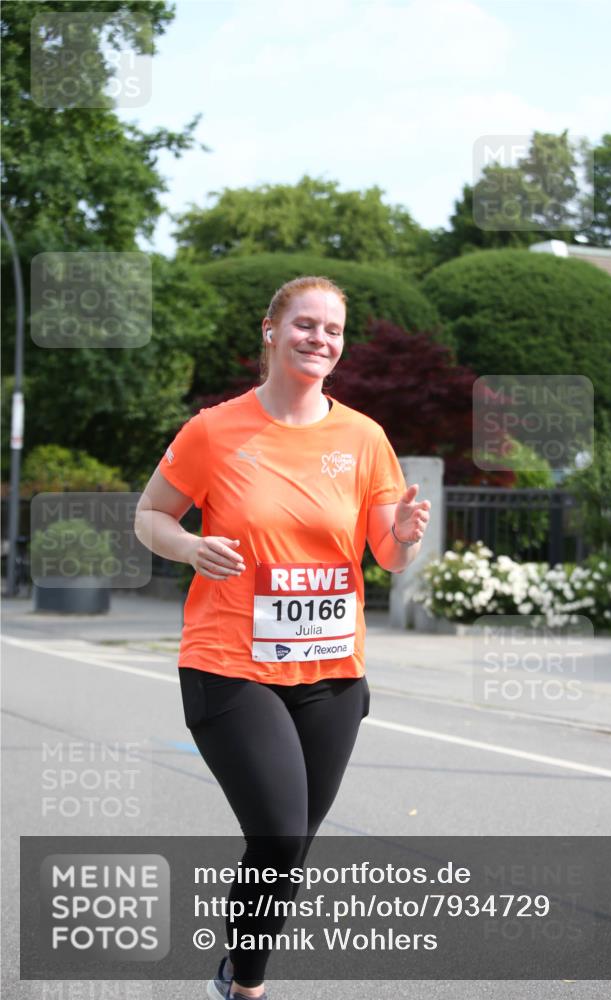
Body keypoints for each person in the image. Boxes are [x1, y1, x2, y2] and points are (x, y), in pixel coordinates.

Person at [134, 276, 431, 1000]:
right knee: (274, 832)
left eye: (331, 329)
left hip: (331, 674)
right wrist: (187, 547)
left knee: (291, 846)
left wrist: (405, 538)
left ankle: (240, 979)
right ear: (271, 331)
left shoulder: (363, 439)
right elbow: (150, 515)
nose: (318, 339)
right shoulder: (213, 430)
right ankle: (248, 989)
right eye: (304, 324)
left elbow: (386, 556)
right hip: (230, 664)